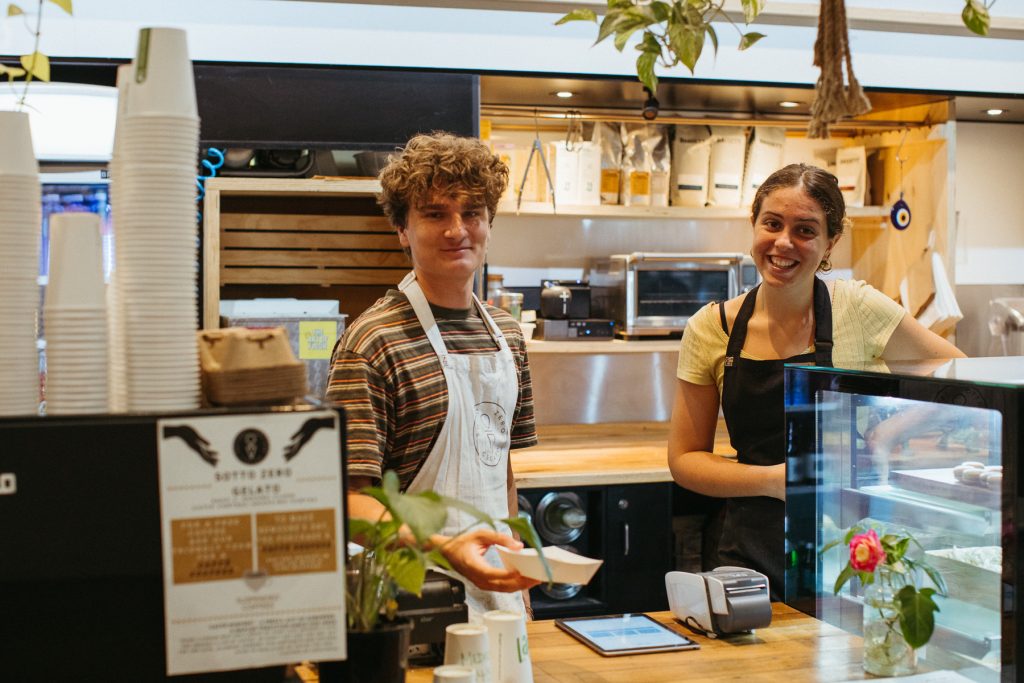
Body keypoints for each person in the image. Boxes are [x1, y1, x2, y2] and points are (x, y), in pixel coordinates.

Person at [667, 163, 965, 599]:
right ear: (754, 225)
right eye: (772, 223)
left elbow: (958, 377)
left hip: (853, 550)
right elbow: (685, 460)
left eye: (805, 230)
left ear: (831, 244)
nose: (784, 242)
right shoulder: (712, 328)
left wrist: (886, 432)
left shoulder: (858, 308)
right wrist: (773, 481)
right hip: (750, 550)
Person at [326, 132, 539, 618]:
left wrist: (518, 586)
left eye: (472, 213)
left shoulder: (507, 336)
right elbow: (347, 505)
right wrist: (445, 547)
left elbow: (499, 471)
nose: (456, 229)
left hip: (497, 592)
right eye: (435, 213)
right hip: (405, 599)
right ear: (402, 229)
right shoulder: (373, 343)